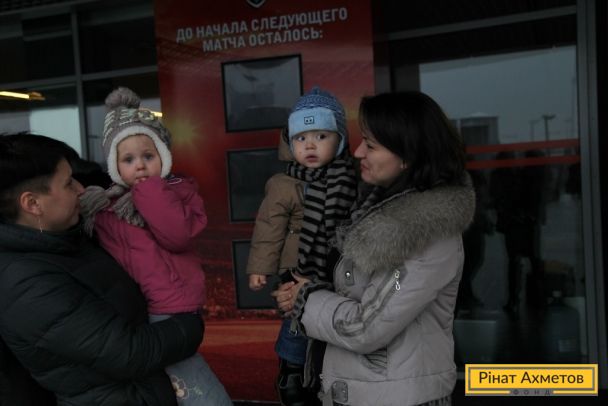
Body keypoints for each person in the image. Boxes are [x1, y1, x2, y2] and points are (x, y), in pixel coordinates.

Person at [274, 91, 476, 405]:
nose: (357, 152)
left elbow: (365, 326)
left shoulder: (426, 233)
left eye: (370, 145)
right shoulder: (371, 208)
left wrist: (306, 299)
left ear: (407, 155)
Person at [0, 132, 205, 406]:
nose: (81, 189)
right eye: (68, 183)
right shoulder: (24, 284)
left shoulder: (71, 239)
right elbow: (129, 353)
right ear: (32, 204)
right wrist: (191, 323)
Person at [79, 87, 232, 405]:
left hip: (171, 303)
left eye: (148, 156)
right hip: (139, 305)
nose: (140, 166)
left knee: (185, 373)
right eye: (128, 159)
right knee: (161, 378)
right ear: (114, 165)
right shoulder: (110, 204)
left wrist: (149, 191)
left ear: (164, 156)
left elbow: (176, 235)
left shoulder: (175, 191)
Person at [246, 87, 357, 405]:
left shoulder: (348, 178)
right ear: (289, 142)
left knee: (333, 322)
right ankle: (292, 368)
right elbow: (269, 227)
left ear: (340, 140)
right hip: (296, 267)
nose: (309, 145)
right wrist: (259, 268)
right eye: (300, 138)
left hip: (337, 268)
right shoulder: (283, 184)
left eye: (321, 136)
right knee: (297, 316)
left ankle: (326, 373)